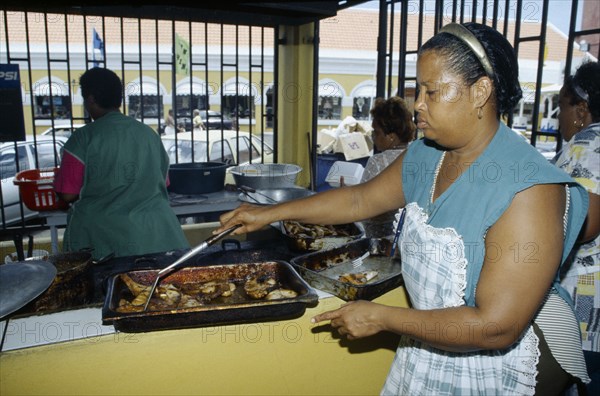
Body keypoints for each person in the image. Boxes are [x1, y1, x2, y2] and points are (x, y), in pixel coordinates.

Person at [215, 22, 591, 394]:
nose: (418, 106)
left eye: (432, 91)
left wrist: (383, 317)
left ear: (481, 91)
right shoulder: (427, 155)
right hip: (442, 340)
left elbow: (496, 325)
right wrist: (268, 212)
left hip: (511, 355)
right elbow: (359, 199)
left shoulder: (530, 187)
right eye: (417, 91)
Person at [54, 67, 189, 260]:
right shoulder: (149, 135)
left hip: (105, 241)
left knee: (110, 289)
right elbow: (163, 182)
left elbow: (68, 194)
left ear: (90, 98)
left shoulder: (82, 139)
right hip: (157, 237)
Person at [554, 60, 600, 394]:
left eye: (561, 107)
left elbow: (585, 224)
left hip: (586, 304)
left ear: (581, 110)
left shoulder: (586, 146)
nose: (559, 117)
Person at [361, 96, 416, 238]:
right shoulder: (417, 155)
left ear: (391, 136)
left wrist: (347, 193)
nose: (373, 136)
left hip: (379, 240)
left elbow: (363, 204)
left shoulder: (378, 162)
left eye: (376, 132)